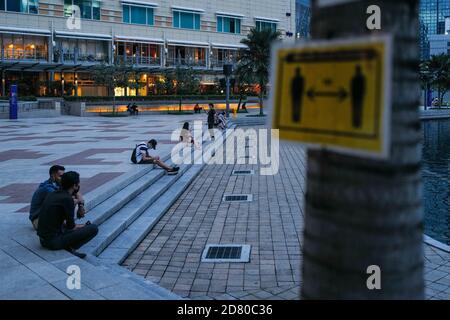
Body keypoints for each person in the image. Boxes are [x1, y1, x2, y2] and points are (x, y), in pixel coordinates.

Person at [37, 171, 98, 259]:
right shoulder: (67, 199)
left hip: (43, 239)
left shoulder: (53, 194)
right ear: (74, 185)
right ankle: (70, 248)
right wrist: (82, 226)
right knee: (93, 228)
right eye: (78, 184)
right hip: (52, 242)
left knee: (79, 227)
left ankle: (68, 246)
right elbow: (71, 226)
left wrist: (80, 205)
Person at [29, 165, 86, 231]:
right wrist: (78, 201)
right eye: (60, 176)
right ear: (53, 176)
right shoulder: (48, 188)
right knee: (69, 200)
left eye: (63, 176)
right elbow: (65, 200)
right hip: (38, 220)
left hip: (47, 216)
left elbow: (76, 191)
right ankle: (69, 225)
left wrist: (81, 206)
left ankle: (68, 224)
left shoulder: (59, 185)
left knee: (70, 198)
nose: (63, 178)